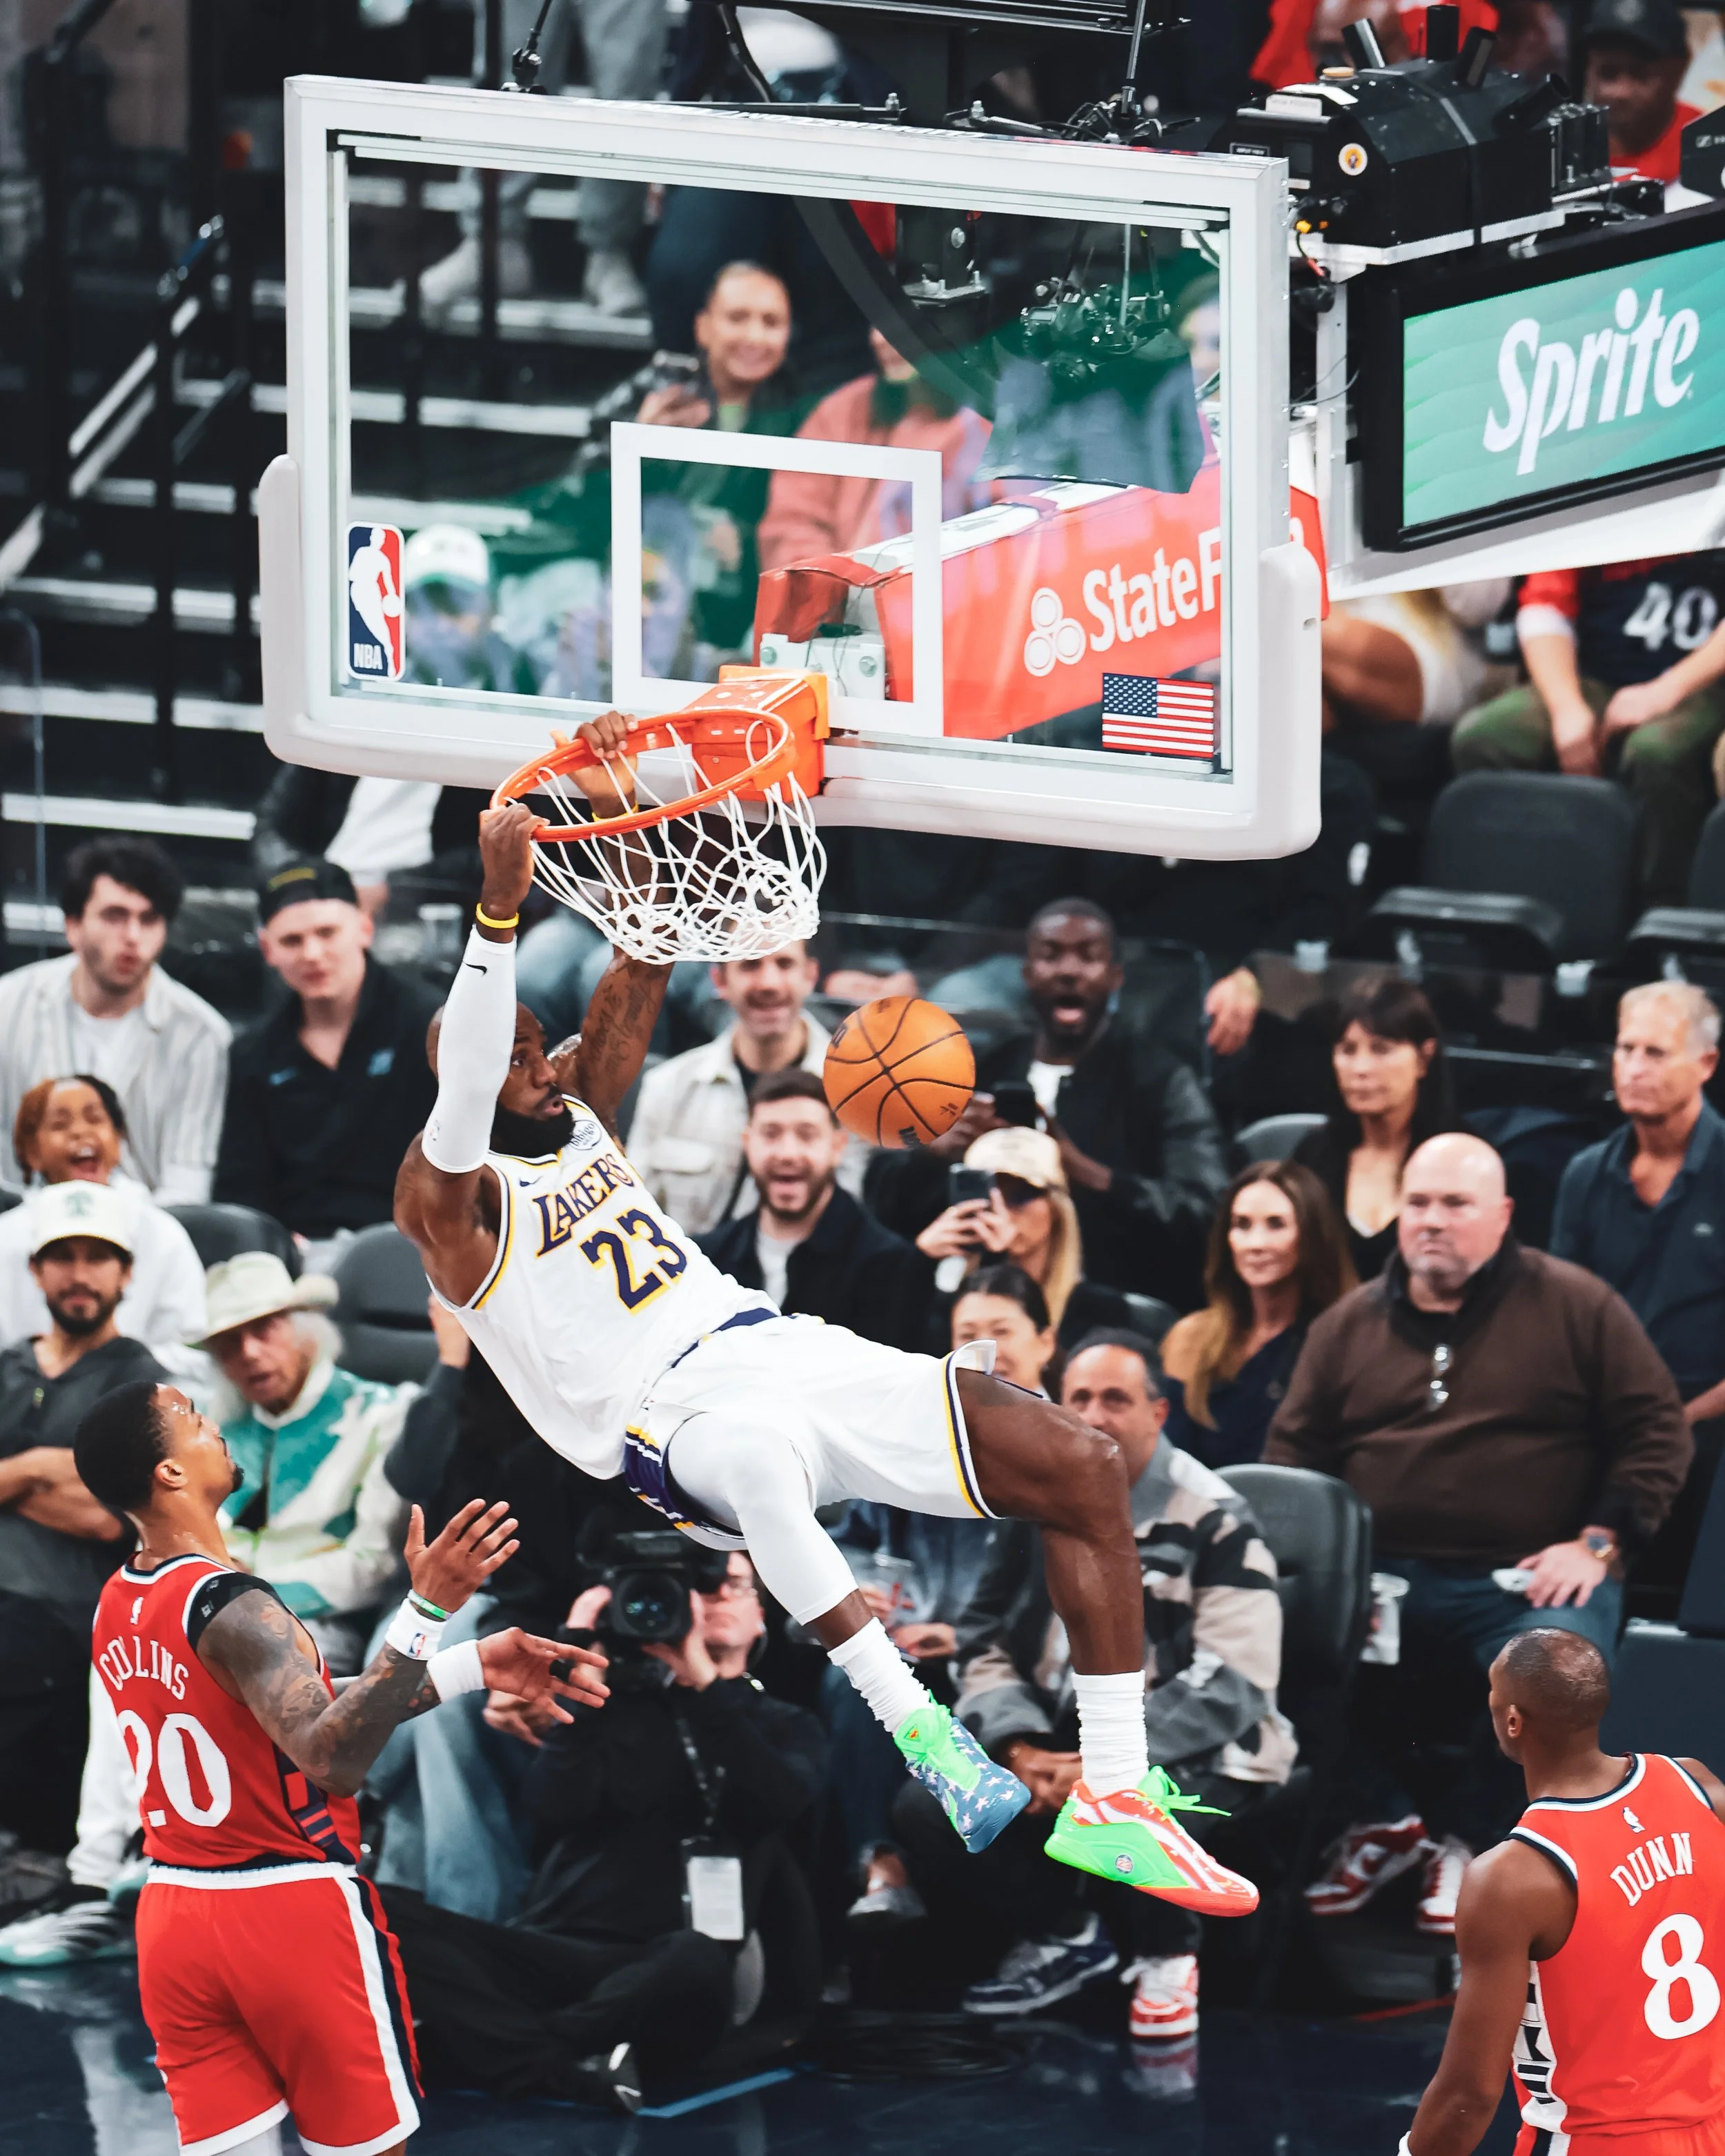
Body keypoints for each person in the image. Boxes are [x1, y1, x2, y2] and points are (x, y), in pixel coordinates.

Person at [393, 740, 1263, 1914]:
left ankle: (1114, 1797)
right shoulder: (449, 1201)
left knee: (1081, 1462)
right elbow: (463, 1086)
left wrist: (637, 812)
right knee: (757, 1468)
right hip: (664, 1421)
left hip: (771, 1342)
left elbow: (644, 956)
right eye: (489, 1055)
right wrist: (496, 915)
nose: (521, 1062)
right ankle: (930, 1745)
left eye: (527, 1049)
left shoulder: (578, 1107)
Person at [71, 1378, 606, 2155]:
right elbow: (328, 1755)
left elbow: (298, 1712)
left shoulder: (118, 1599)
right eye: (191, 1417)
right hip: (287, 1912)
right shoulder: (238, 1606)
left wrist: (468, 1665)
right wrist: (424, 1610)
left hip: (173, 1918)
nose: (213, 1423)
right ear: (170, 1473)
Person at [1268, 1133, 1693, 1935]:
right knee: (1256, 1639)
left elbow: (1657, 1430)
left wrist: (1597, 1543)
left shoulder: (1575, 1303)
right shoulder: (1347, 1323)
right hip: (1376, 1576)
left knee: (1554, 1670)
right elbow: (1292, 1457)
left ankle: (1477, 1843)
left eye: (1456, 1204)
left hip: (1522, 1577)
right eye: (1419, 1202)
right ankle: (1386, 1820)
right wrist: (1324, 1577)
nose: (1433, 1220)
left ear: (1501, 1216)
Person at [894, 1330, 1290, 2039]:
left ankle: (1170, 1954)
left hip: (1195, 1742)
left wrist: (1107, 1762)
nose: (1095, 1414)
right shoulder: (1029, 1500)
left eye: (1116, 1398)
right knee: (928, 1803)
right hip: (1048, 1733)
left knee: (1149, 1813)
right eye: (1079, 1397)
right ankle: (1064, 1931)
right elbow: (981, 1637)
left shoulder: (1216, 1514)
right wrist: (1017, 1745)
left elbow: (1236, 1675)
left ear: (1157, 1413)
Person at [381, 1552, 825, 2107]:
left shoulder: (789, 1725)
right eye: (697, 1586)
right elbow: (552, 1806)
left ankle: (508, 2047)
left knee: (697, 1957)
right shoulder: (614, 1709)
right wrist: (579, 1661)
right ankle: (552, 2062)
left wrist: (703, 1678)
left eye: (727, 1585)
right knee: (376, 1907)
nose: (705, 1601)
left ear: (762, 1615)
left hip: (666, 1968)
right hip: (555, 1949)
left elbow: (777, 1801)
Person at [1404, 1628, 1725, 2156]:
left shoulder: (1512, 1877)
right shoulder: (1697, 1785)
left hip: (1598, 2142)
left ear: (1512, 1722)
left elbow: (1470, 2092)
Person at [874, 898, 1229, 1308]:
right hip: (977, 1304)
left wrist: (1082, 1171)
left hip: (1109, 1305)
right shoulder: (980, 1069)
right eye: (1050, 955)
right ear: (1027, 973)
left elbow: (1206, 1215)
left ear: (1116, 977)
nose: (1068, 971)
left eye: (1089, 957)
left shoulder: (1163, 1079)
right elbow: (885, 1198)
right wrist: (932, 1153)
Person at [0, 1183, 163, 1864]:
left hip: (66, 1617)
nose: (79, 1273)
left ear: (126, 1272)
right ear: (37, 1270)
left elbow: (107, 1515)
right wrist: (44, 1467)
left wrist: (17, 1467)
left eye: (97, 1256)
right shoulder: (7, 1364)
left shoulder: (138, 1380)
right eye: (62, 1256)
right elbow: (86, 1490)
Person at [1551, 982, 1725, 1605]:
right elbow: (1560, 1320)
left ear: (1706, 1063)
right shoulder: (1585, 1174)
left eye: (1655, 1051)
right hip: (1604, 1423)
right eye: (1626, 1049)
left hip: (1708, 1426)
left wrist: (1677, 1421)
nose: (1633, 1067)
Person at [1451, 554, 1725, 909]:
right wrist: (1566, 707)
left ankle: (1662, 913)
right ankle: (1513, 904)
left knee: (1657, 752)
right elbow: (1544, 607)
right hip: (1596, 674)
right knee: (1487, 738)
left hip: (1702, 684)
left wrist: (1665, 691)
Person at [201, 1252, 413, 1675]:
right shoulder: (210, 1428)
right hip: (206, 1610)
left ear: (306, 1331)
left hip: (318, 1617)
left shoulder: (380, 1415)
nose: (249, 1352)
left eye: (264, 1329)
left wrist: (249, 1595)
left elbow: (373, 1563)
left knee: (255, 1656)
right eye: (229, 1342)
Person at [216, 858, 442, 1252]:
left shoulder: (430, 1024)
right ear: (268, 950)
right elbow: (242, 1185)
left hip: (419, 1248)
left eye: (327, 932)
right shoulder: (252, 1054)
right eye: (292, 941)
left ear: (365, 929)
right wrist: (274, 1245)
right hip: (295, 1256)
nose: (312, 954)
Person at [0, 838, 228, 1205]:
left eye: (149, 919)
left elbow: (187, 1184)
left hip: (141, 1241)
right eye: (115, 916)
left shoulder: (200, 1034)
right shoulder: (7, 1006)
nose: (133, 937)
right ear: (73, 925)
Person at [626, 939, 859, 1235]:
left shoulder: (854, 1093)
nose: (769, 983)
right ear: (719, 980)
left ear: (810, 976)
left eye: (785, 964)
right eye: (751, 964)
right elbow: (632, 1213)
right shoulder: (666, 1086)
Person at [696, 1069, 931, 1351]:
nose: (787, 1153)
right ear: (748, 1144)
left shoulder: (889, 1265)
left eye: (806, 1135)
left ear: (837, 1146)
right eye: (771, 1134)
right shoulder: (707, 1260)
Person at [1161, 1161, 1356, 1471]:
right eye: (1242, 1225)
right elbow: (1169, 1460)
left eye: (1276, 1225)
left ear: (1311, 1236)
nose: (1256, 1244)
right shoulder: (1190, 1337)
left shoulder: (1343, 1341)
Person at [756, 328, 992, 572]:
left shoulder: (990, 425)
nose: (877, 338)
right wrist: (835, 590)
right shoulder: (844, 411)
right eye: (877, 320)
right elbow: (792, 523)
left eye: (897, 319)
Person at [0, 1076, 205, 1349]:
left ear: (119, 1140)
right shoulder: (7, 1238)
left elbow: (189, 1349)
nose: (80, 1132)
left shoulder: (162, 1234)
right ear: (31, 1151)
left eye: (95, 1119)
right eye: (60, 1124)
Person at [1294, 976, 1459, 1280]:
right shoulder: (1313, 1155)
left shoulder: (1463, 1161)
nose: (1361, 1069)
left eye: (1381, 1050)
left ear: (1424, 1058)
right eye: (1347, 1050)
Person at [914, 1126, 1132, 1354]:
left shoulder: (1100, 1311)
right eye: (988, 1196)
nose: (1002, 1211)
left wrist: (997, 1264)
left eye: (1020, 1195)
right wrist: (919, 1262)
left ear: (1056, 1207)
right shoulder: (949, 1306)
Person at [1580, 0, 1700, 184]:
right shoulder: (1564, 154)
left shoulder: (1709, 147)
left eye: (1640, 74)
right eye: (1608, 73)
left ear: (1678, 69)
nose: (1622, 93)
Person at [951, 1265, 1058, 1396]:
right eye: (968, 1335)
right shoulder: (929, 1415)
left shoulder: (1073, 1415)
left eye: (1001, 1332)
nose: (986, 1356)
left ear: (1045, 1343)